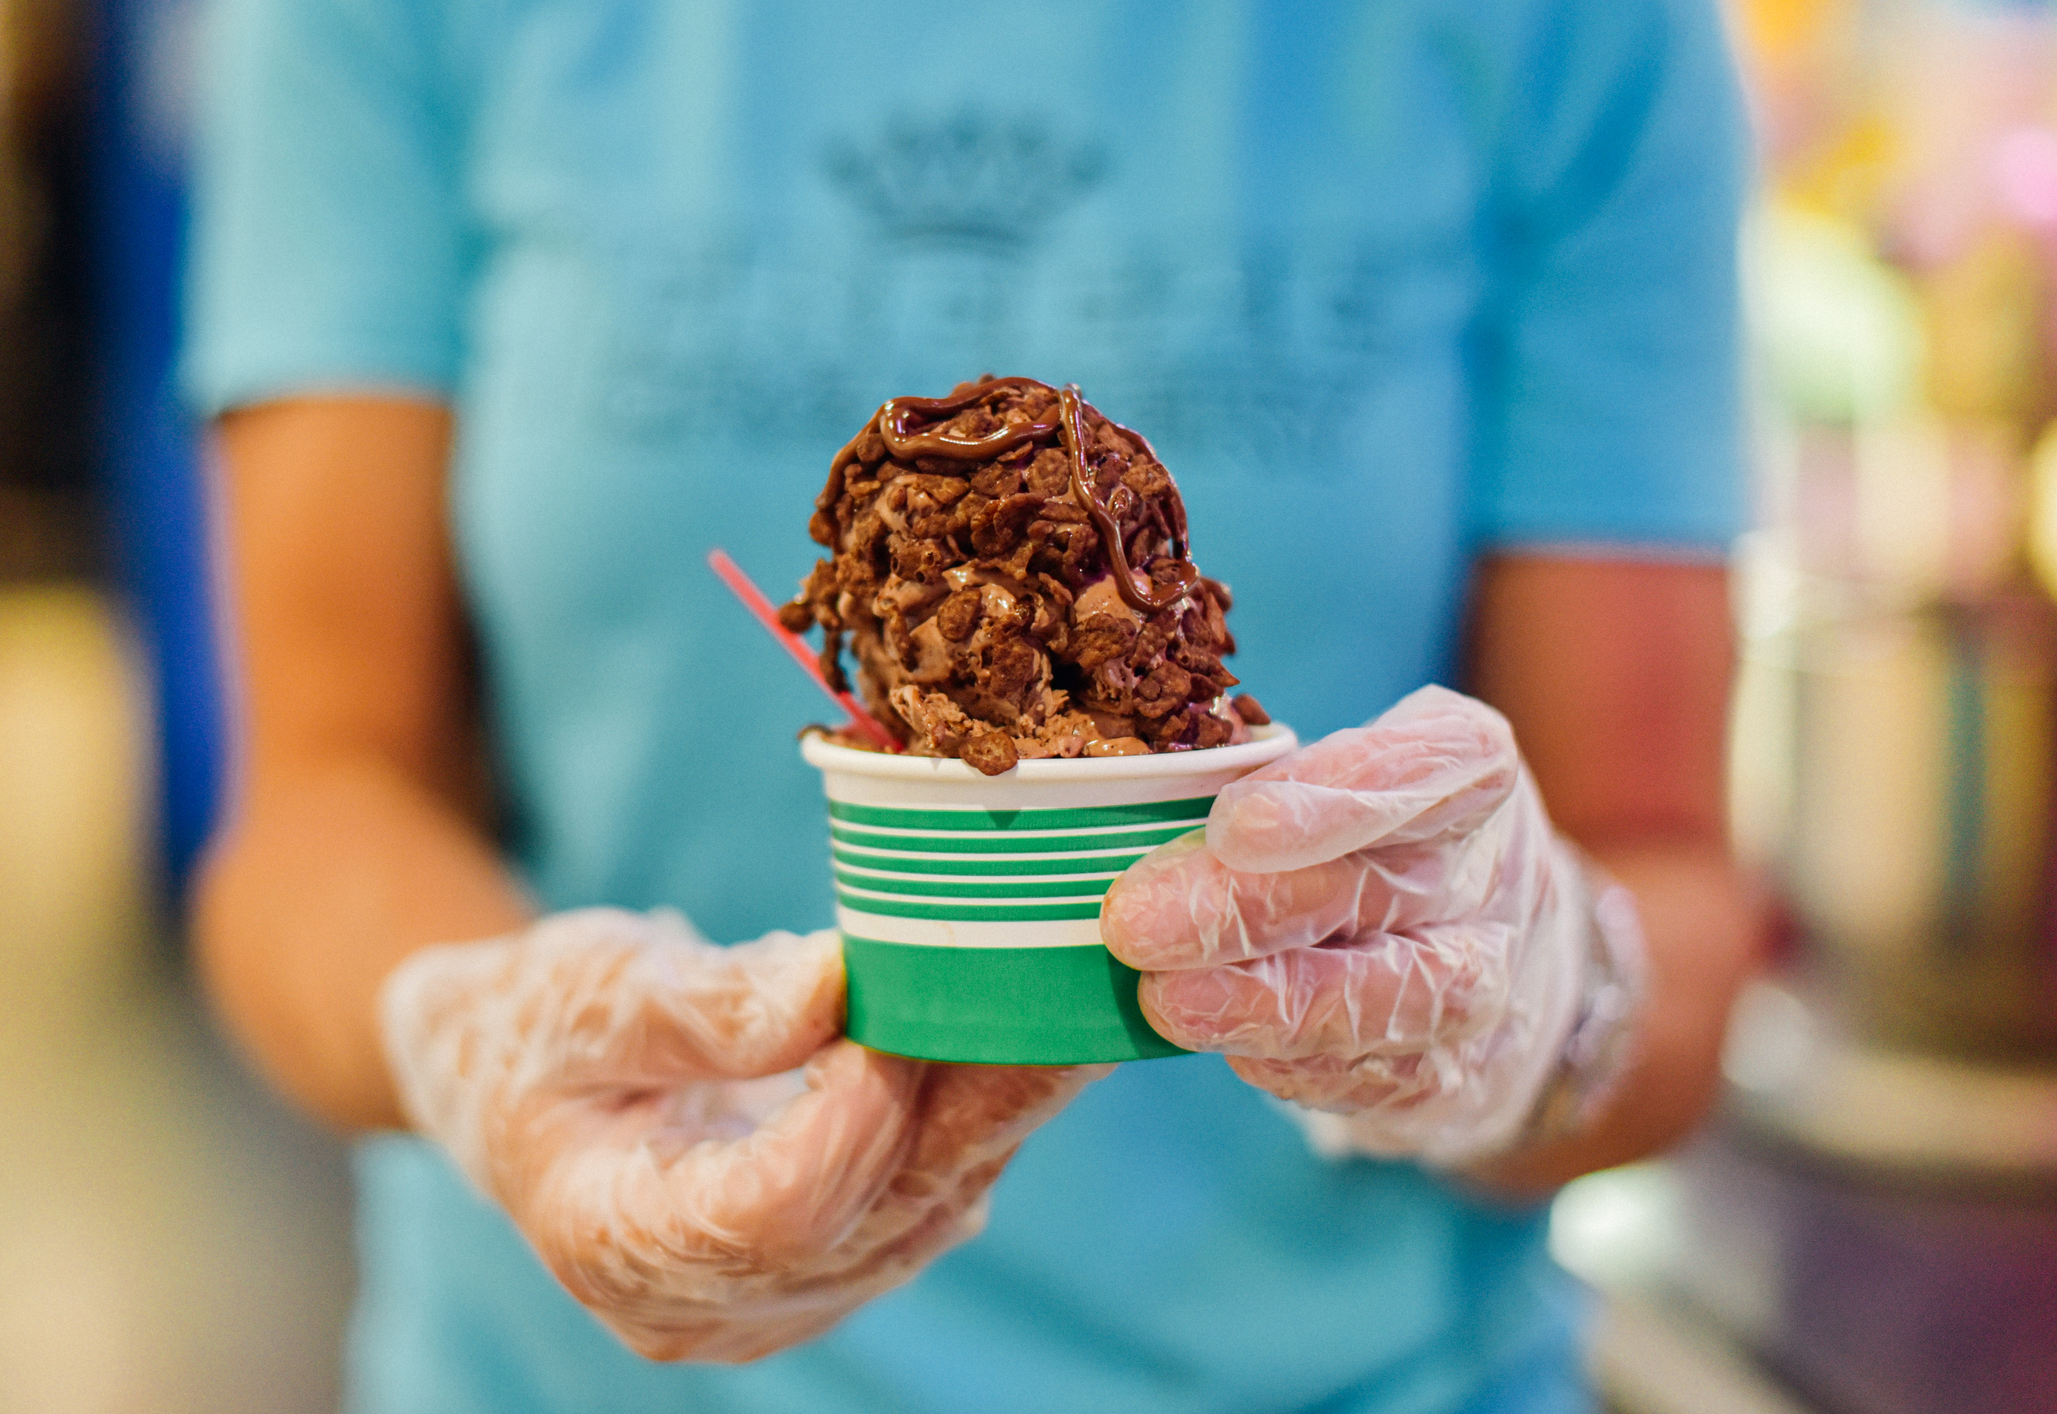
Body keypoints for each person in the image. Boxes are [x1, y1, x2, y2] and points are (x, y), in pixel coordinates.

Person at [183, 0, 1761, 1410]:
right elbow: (315, 809)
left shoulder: (1579, 29)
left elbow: (1675, 896)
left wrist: (1551, 992)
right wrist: (485, 1038)